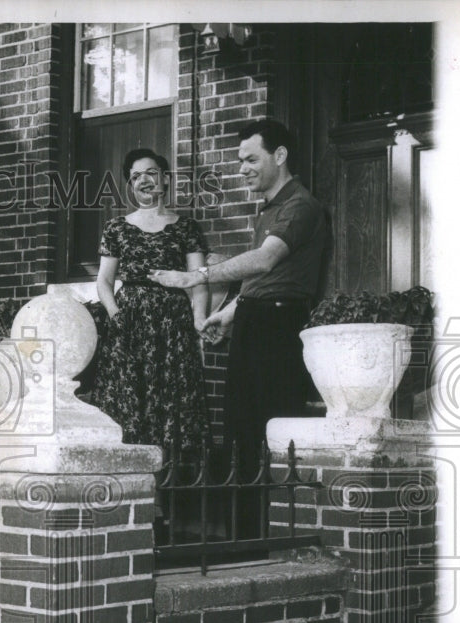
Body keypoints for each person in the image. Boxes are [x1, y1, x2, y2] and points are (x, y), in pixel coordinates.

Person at [147, 120, 326, 537]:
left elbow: (264, 262)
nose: (242, 168)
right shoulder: (269, 209)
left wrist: (196, 277)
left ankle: (267, 536)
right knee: (242, 430)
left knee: (268, 429)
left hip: (280, 327)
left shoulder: (299, 205)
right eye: (239, 160)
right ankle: (245, 537)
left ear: (279, 156)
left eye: (251, 159)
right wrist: (227, 315)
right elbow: (264, 278)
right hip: (256, 318)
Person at [93, 148, 211, 453]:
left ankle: (173, 481)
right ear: (130, 186)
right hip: (129, 320)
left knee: (173, 394)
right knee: (132, 393)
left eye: (150, 173)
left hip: (173, 323)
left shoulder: (186, 228)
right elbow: (104, 281)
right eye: (135, 177)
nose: (143, 180)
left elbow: (199, 280)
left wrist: (200, 320)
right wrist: (115, 313)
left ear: (166, 179)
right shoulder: (116, 228)